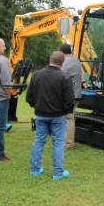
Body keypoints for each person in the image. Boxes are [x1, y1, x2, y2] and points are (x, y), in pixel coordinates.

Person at [26, 51, 75, 180]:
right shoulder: (64, 77)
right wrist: (65, 111)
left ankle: (34, 169)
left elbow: (29, 97)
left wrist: (37, 107)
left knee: (38, 141)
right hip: (58, 116)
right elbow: (70, 100)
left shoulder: (36, 75)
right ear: (62, 63)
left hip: (41, 115)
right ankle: (58, 172)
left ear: (50, 60)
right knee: (58, 143)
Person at [59, 44, 83, 150]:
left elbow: (58, 76)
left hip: (69, 95)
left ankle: (68, 144)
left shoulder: (66, 63)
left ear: (62, 53)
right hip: (77, 94)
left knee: (69, 118)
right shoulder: (76, 60)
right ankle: (63, 140)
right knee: (66, 117)